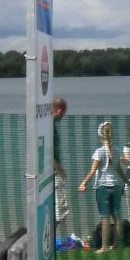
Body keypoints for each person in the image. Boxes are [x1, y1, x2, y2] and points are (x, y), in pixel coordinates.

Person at [79, 121, 127, 253]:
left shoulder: (99, 152)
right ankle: (117, 244)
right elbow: (119, 169)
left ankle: (104, 246)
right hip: (117, 186)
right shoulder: (117, 150)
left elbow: (93, 171)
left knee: (105, 216)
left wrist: (84, 183)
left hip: (103, 187)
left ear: (100, 135)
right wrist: (126, 181)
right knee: (117, 215)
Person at [53, 97, 70, 235]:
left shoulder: (49, 125)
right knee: (61, 208)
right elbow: (49, 153)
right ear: (59, 111)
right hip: (54, 171)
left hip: (51, 170)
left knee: (58, 208)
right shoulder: (50, 127)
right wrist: (60, 171)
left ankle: (49, 237)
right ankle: (50, 236)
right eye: (63, 113)